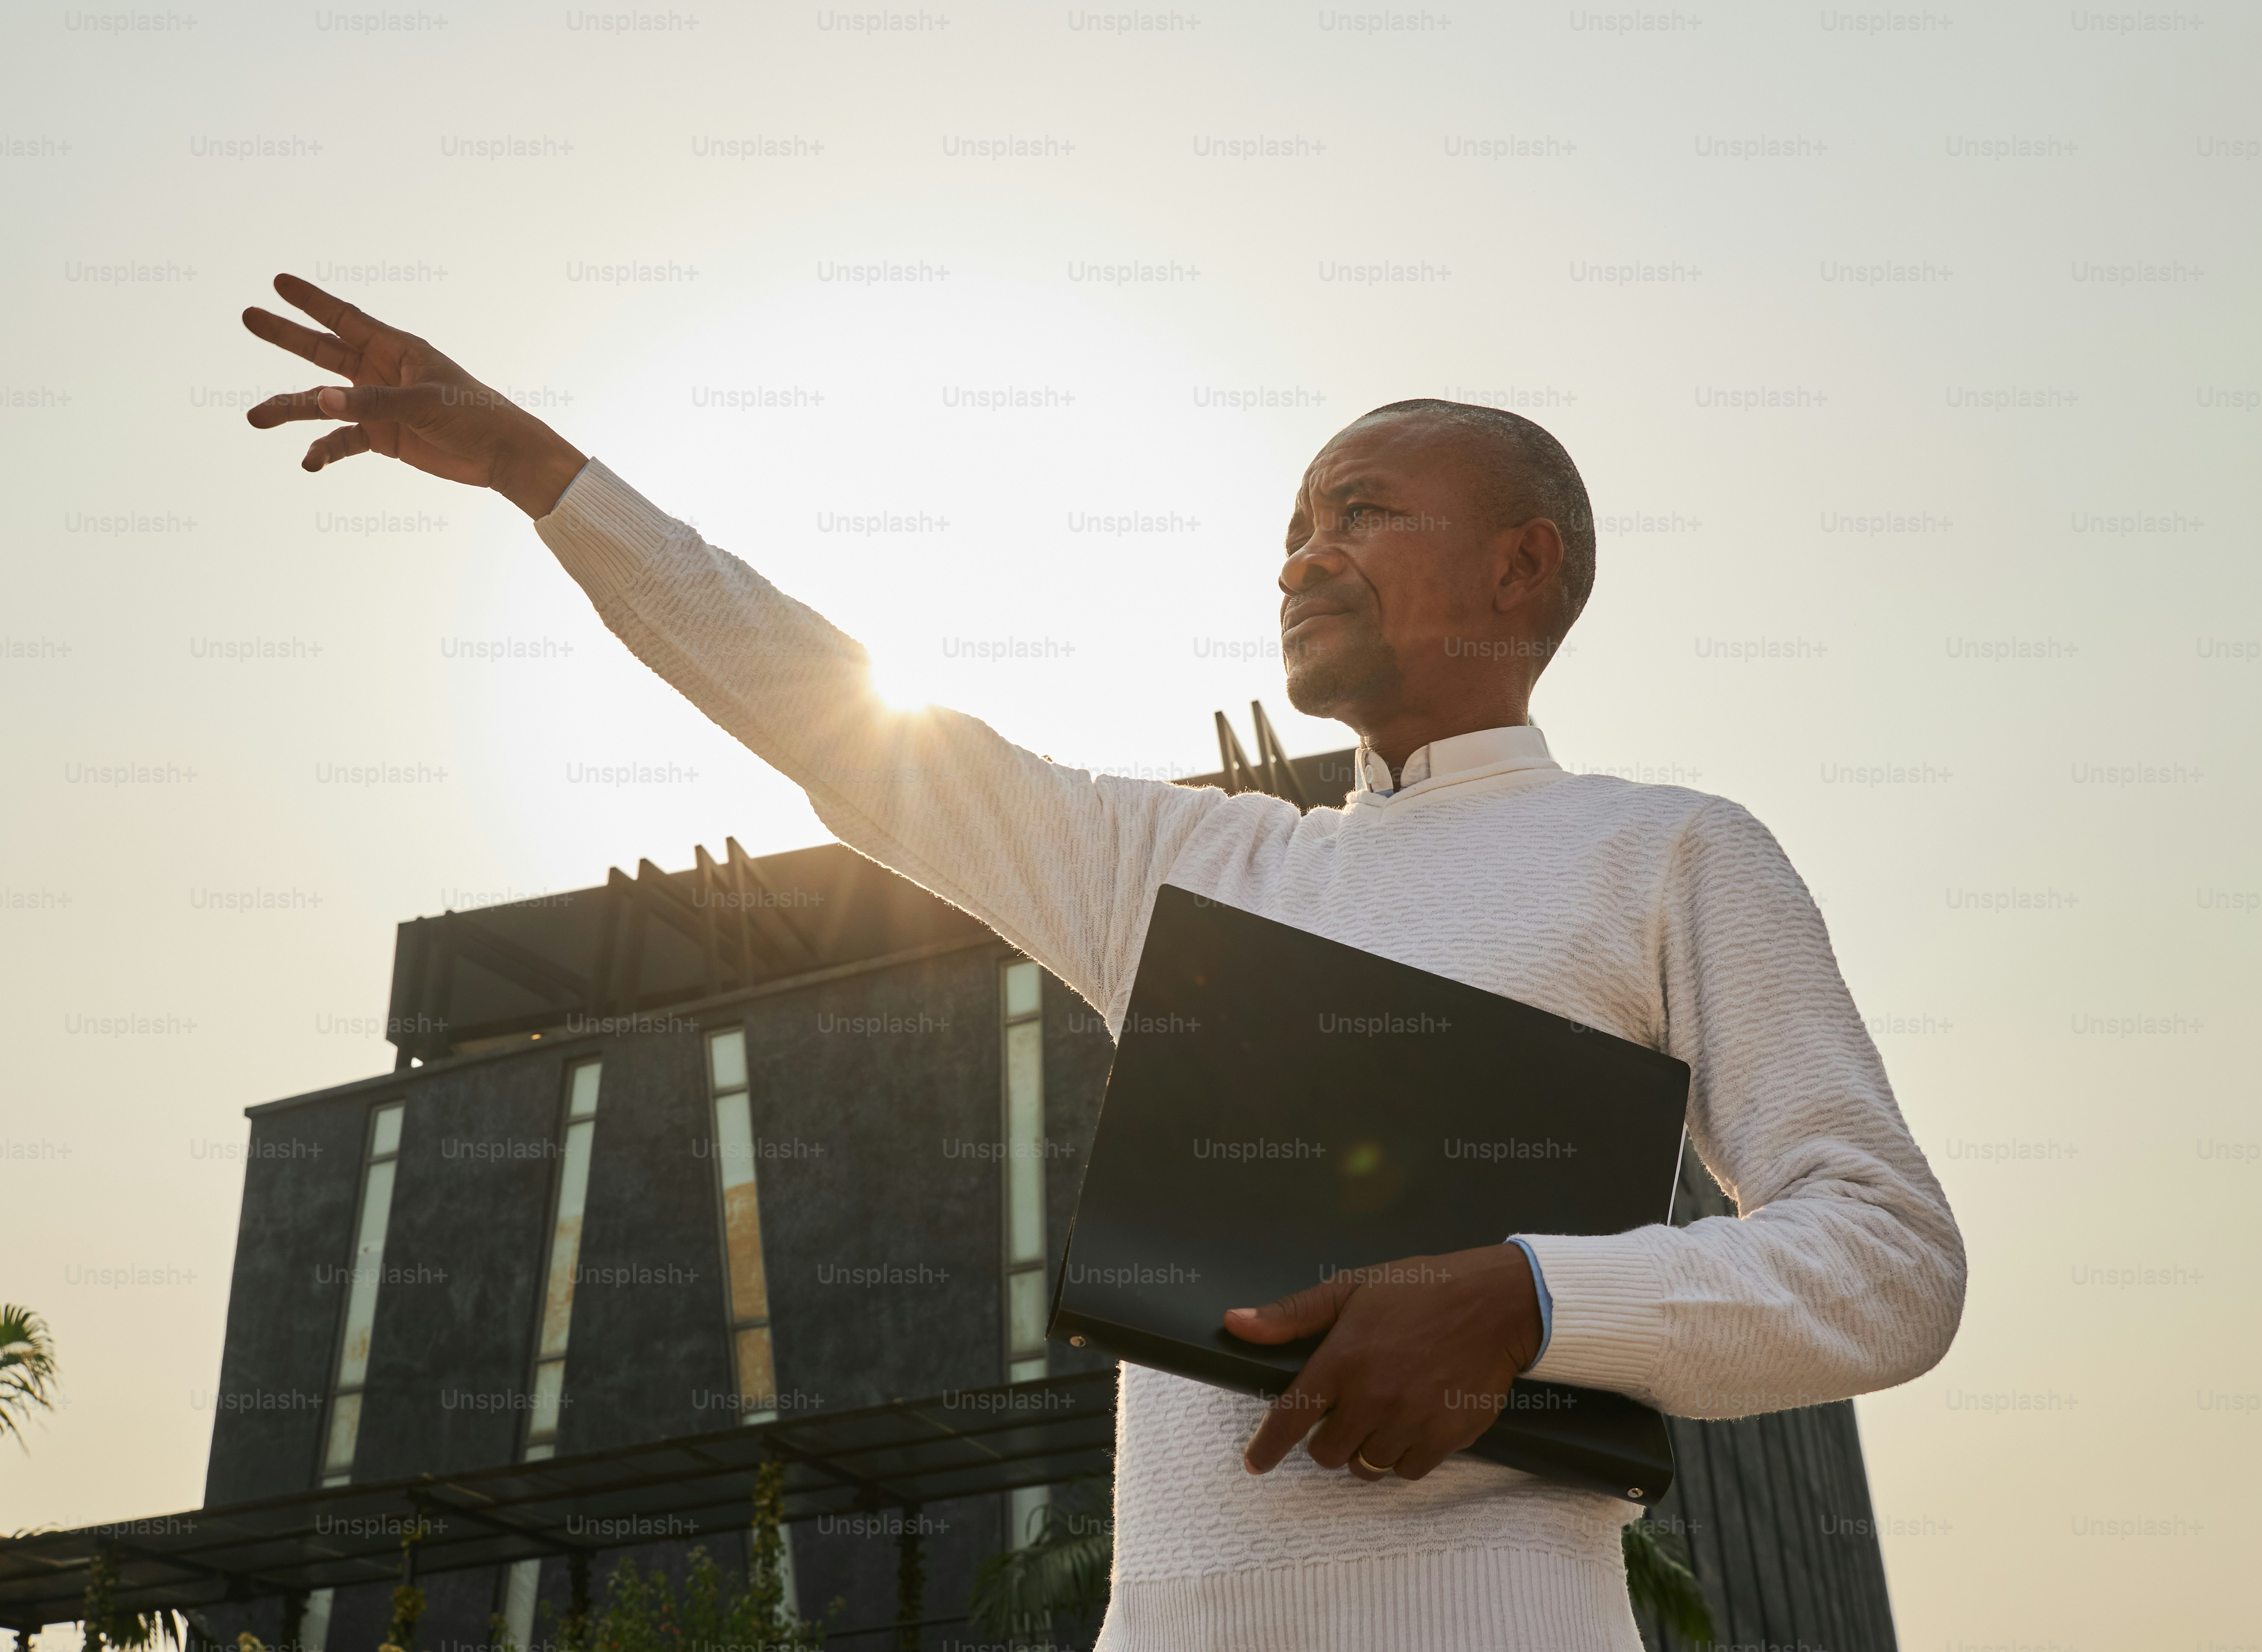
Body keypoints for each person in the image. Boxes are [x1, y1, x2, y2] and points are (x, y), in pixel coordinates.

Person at [241, 273, 1965, 1652]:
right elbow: (836, 719)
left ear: (1525, 562)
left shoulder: (1665, 851)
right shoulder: (1192, 866)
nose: (1302, 552)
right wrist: (548, 475)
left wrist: (1525, 1293)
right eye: (1292, 519)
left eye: (1360, 510)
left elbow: (1889, 1261)